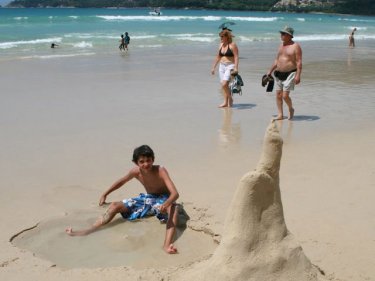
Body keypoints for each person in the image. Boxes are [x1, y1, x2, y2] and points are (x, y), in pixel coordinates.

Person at [65, 145, 180, 254]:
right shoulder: (135, 171)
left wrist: (166, 203)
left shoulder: (161, 170)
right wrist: (105, 193)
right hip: (149, 199)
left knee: (173, 207)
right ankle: (88, 231)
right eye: (142, 161)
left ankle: (166, 245)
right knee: (115, 206)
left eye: (148, 160)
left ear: (153, 159)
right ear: (136, 163)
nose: (146, 164)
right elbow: (122, 181)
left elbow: (175, 193)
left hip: (164, 199)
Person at [267, 26, 302, 120]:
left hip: (290, 73)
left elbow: (299, 62)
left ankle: (291, 109)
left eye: (283, 34)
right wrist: (270, 71)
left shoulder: (295, 46)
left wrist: (298, 75)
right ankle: (280, 114)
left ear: (289, 35)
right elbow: (277, 60)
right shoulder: (281, 45)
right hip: (279, 73)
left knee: (285, 96)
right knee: (278, 95)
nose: (281, 35)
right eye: (281, 33)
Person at [211, 29, 239, 108]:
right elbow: (218, 56)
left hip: (230, 66)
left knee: (224, 84)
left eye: (222, 37)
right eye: (220, 37)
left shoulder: (232, 45)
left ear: (227, 37)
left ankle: (230, 99)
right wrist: (213, 67)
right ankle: (225, 102)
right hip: (222, 66)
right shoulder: (220, 45)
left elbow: (236, 57)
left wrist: (236, 68)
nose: (221, 38)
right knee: (224, 85)